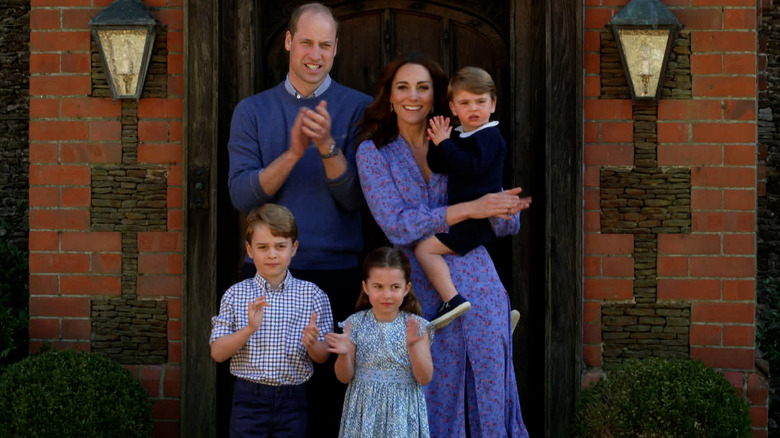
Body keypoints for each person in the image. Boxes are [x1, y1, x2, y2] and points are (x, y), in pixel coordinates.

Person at [355, 52, 531, 438]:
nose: (412, 96)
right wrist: (471, 208)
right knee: (431, 391)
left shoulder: (464, 141)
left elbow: (502, 221)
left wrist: (504, 209)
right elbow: (397, 225)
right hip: (417, 287)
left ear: (436, 98)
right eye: (403, 87)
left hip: (477, 276)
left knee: (490, 386)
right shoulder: (374, 153)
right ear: (390, 96)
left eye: (422, 88)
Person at [226, 3, 372, 435]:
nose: (315, 53)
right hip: (268, 275)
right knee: (269, 399)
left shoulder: (358, 108)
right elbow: (241, 195)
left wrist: (327, 146)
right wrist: (292, 153)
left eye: (325, 45)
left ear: (336, 49)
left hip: (337, 273)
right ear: (289, 42)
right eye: (306, 42)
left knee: (331, 401)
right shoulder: (252, 111)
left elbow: (356, 200)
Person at [210, 204, 333, 437]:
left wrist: (312, 343)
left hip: (293, 399)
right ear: (249, 250)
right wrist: (249, 329)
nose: (272, 254)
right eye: (263, 247)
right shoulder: (235, 294)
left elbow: (323, 356)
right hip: (248, 398)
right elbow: (217, 353)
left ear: (294, 248)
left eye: (280, 246)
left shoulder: (313, 295)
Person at [416, 66, 507, 329]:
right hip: (463, 216)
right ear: (454, 108)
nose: (474, 108)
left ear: (493, 104)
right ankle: (494, 315)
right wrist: (438, 141)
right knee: (471, 269)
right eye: (465, 103)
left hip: (476, 220)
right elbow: (439, 165)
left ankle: (452, 300)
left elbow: (469, 167)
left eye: (480, 101)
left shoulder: (490, 136)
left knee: (425, 249)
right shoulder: (461, 135)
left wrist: (446, 143)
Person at [325, 247, 433, 438]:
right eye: (378, 286)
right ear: (366, 287)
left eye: (395, 287)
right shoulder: (355, 323)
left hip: (402, 410)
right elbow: (344, 377)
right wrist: (343, 354)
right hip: (364, 410)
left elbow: (425, 378)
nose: (387, 295)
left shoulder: (416, 326)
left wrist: (413, 347)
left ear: (406, 288)